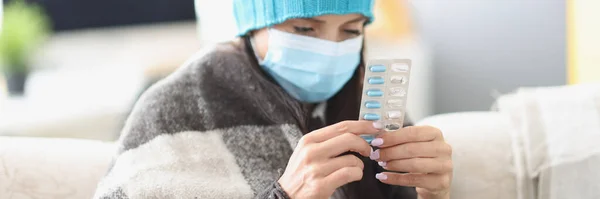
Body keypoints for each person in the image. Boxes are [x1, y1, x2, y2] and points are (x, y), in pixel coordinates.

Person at [93, 0, 453, 198]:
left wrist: (433, 195)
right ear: (252, 27)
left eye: (351, 30)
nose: (331, 49)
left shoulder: (366, 103)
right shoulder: (174, 107)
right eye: (303, 29)